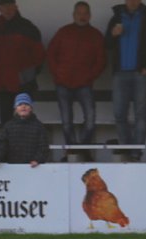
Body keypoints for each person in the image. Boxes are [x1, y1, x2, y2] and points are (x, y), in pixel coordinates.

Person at [47, 1, 106, 162]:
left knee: (90, 119)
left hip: (84, 84)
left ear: (90, 15)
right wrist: (57, 75)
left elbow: (101, 61)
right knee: (67, 122)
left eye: (85, 13)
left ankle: (83, 149)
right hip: (63, 83)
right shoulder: (63, 32)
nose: (82, 16)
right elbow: (51, 54)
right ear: (74, 15)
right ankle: (72, 150)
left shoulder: (96, 35)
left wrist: (89, 76)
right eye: (79, 13)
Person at [105, 0, 146, 162]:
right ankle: (126, 148)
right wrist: (113, 35)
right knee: (119, 114)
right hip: (120, 73)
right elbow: (107, 44)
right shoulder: (116, 17)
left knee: (140, 115)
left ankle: (136, 153)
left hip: (140, 74)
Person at [0, 0, 46, 126]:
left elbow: (39, 56)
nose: (7, 10)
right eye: (4, 7)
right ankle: (7, 146)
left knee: (24, 122)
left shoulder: (27, 27)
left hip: (23, 85)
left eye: (10, 6)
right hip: (4, 84)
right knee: (5, 122)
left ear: (16, 7)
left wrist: (27, 76)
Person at [0, 93, 50, 167]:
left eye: (26, 104)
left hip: (32, 168)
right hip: (13, 167)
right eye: (20, 104)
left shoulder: (39, 126)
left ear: (31, 108)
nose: (23, 106)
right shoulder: (9, 126)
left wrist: (37, 160)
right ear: (15, 109)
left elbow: (43, 147)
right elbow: (1, 145)